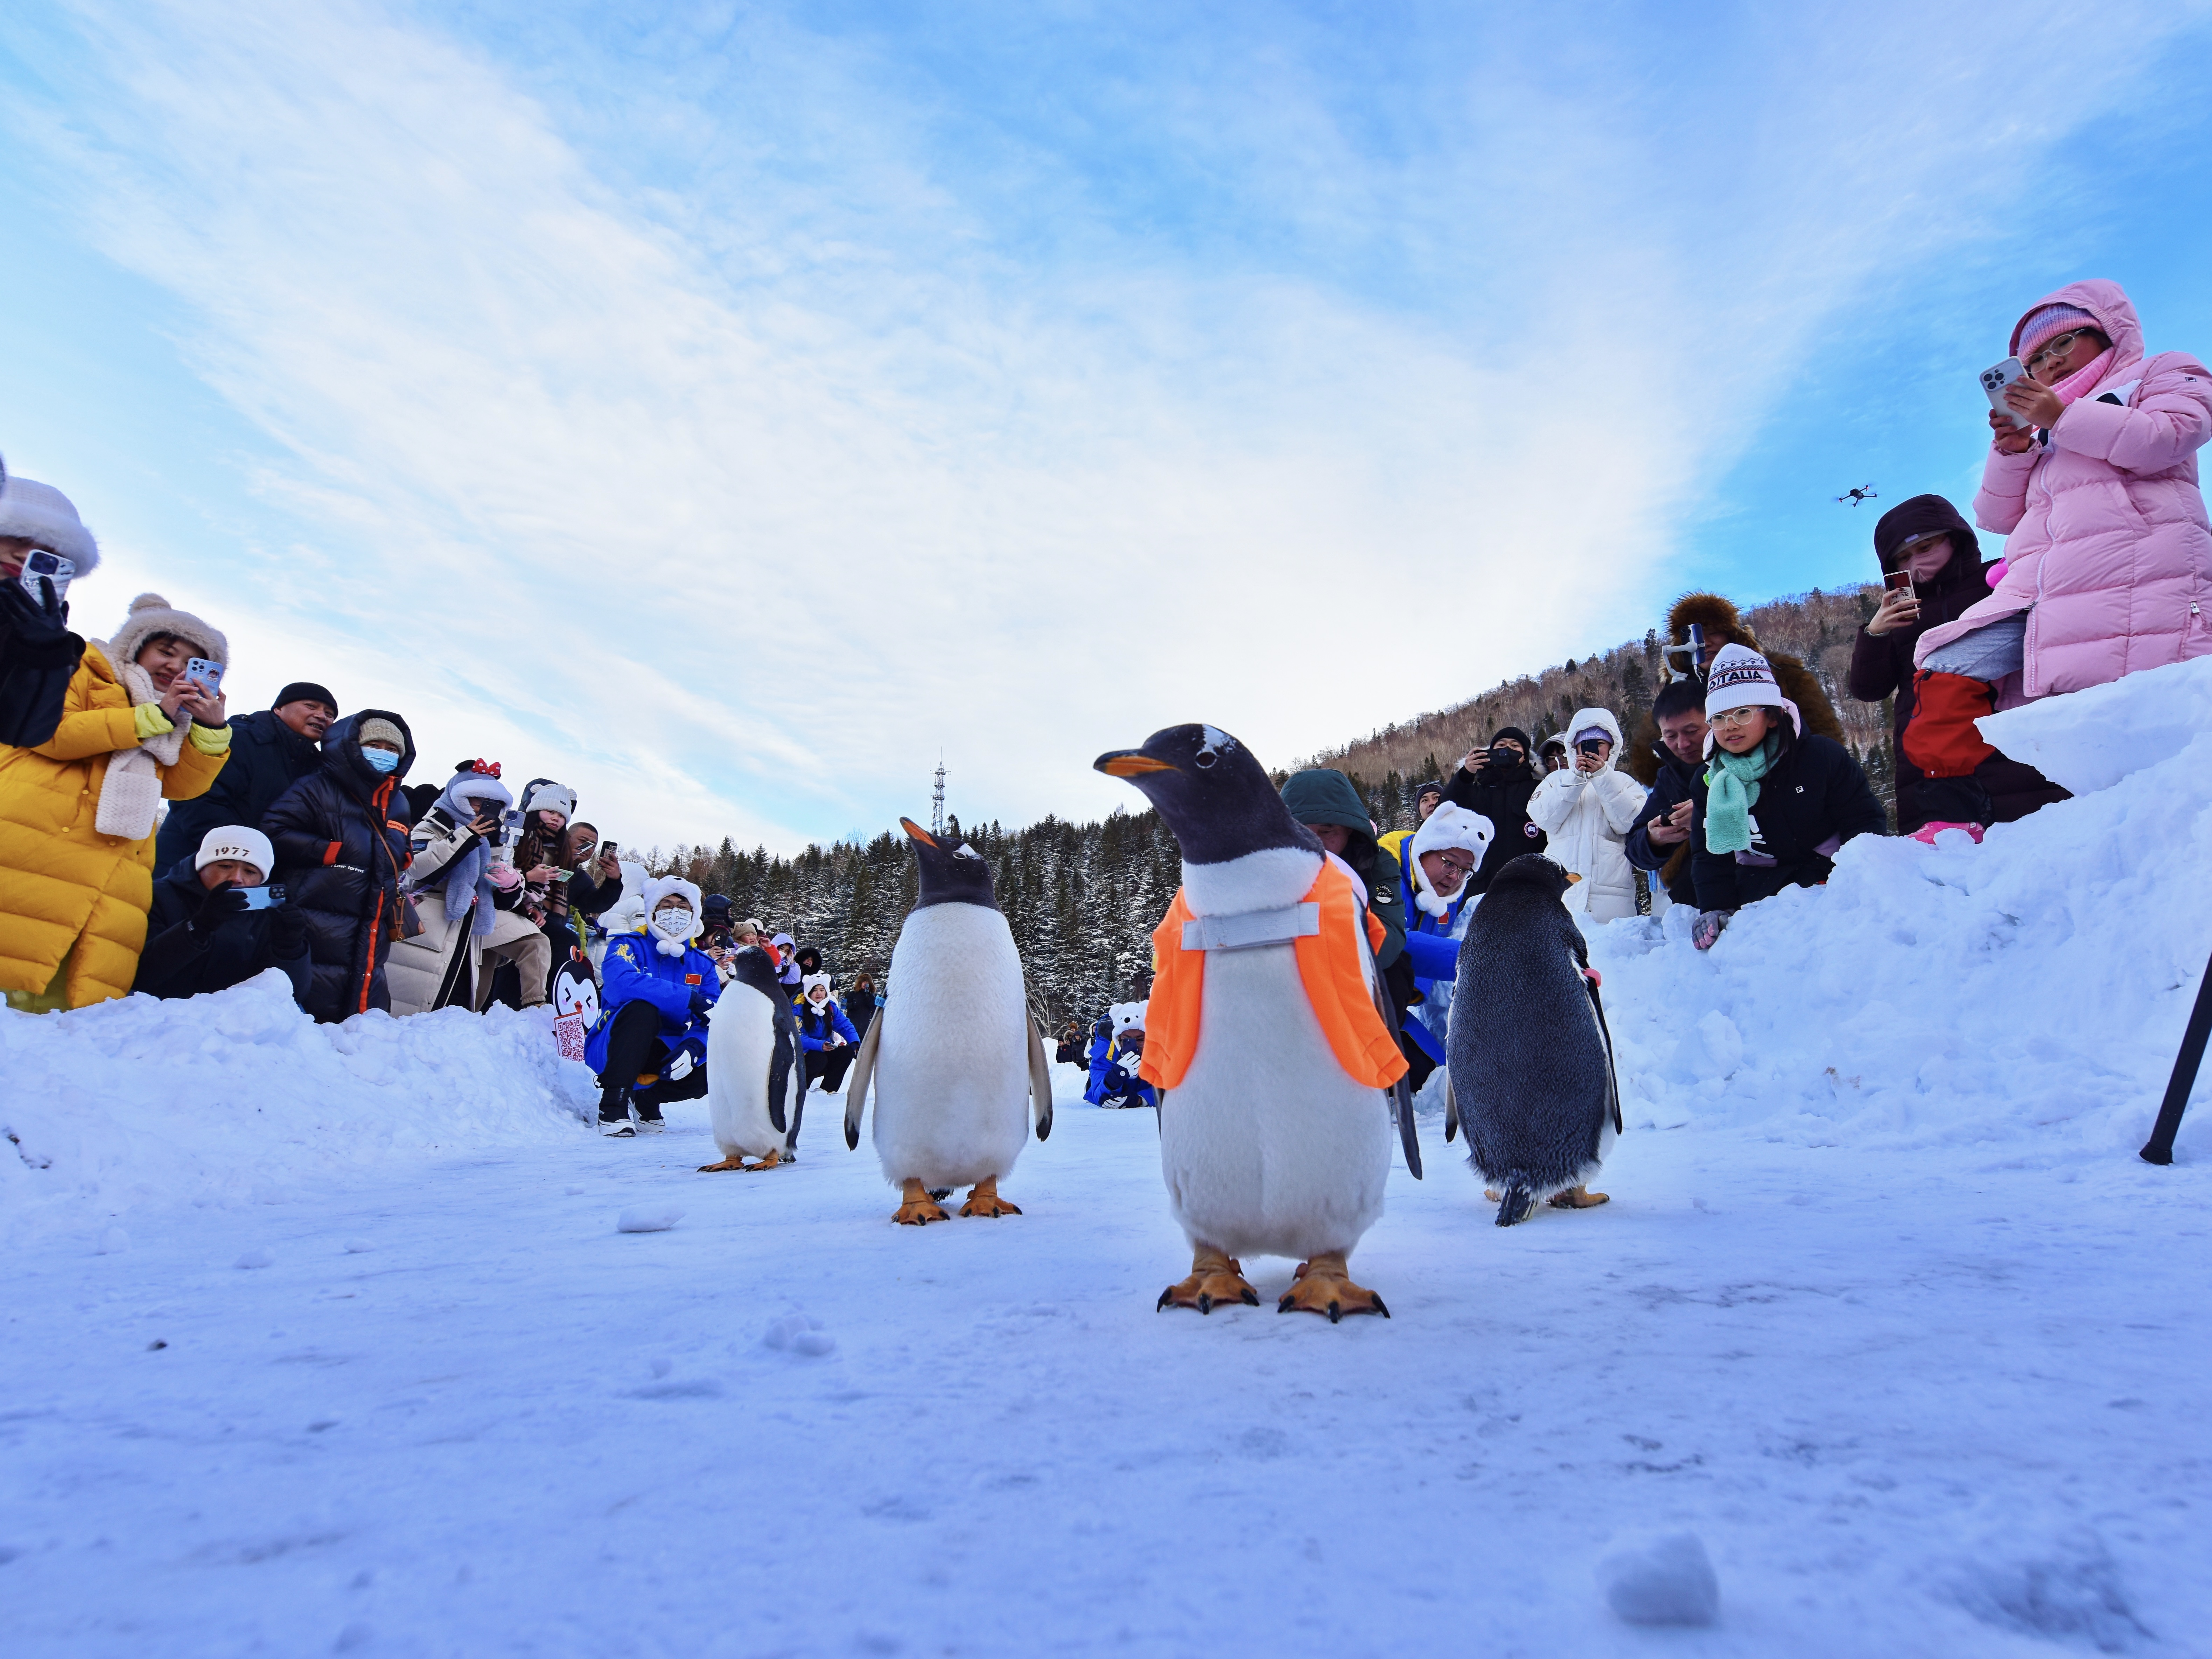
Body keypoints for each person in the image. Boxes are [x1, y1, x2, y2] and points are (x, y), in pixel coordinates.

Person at [1917, 279, 2212, 702]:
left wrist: (2062, 416)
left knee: (2143, 712)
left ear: (2105, 333)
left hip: (2137, 572)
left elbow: (2167, 438)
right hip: (2041, 589)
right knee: (1943, 665)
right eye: (2034, 360)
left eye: (2062, 343)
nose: (2049, 363)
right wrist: (2011, 450)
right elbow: (1995, 518)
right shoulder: (2037, 433)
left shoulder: (2158, 370)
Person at [0, 592, 231, 1012]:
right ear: (136, 646)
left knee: (63, 1013)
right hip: (33, 845)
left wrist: (210, 731)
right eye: (166, 651)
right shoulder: (86, 670)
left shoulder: (173, 713)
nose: (175, 668)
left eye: (191, 663)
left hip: (116, 868)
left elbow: (181, 787)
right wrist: (152, 718)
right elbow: (49, 732)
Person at [1849, 494, 2069, 836]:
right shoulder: (1898, 616)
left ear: (1954, 539)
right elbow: (1867, 689)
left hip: (2009, 735)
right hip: (1927, 761)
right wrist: (1874, 634)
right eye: (1903, 558)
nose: (1916, 564)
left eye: (1925, 548)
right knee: (1952, 865)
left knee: (2044, 844)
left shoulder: (2000, 580)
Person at [1689, 645, 1887, 951]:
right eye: (1718, 717)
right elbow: (1710, 853)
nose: (1730, 726)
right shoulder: (1710, 782)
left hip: (1831, 876)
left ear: (1772, 716)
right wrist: (1715, 905)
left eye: (1743, 713)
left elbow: (1862, 819)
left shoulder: (1820, 756)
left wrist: (1858, 881)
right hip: (1759, 887)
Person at [262, 711, 416, 1021]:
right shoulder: (317, 787)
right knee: (312, 999)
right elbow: (273, 831)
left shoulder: (398, 801)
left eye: (392, 748)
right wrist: (331, 851)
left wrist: (404, 858)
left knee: (361, 1004)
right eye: (375, 744)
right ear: (353, 746)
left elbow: (402, 840)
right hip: (317, 912)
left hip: (373, 920)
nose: (384, 753)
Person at [386, 762, 552, 1015]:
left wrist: (511, 886)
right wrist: (466, 836)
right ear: (458, 797)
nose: (481, 809)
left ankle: (537, 1010)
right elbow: (417, 868)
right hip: (430, 922)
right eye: (477, 801)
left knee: (464, 1010)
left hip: (472, 926)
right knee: (415, 1005)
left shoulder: (495, 842)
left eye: (491, 804)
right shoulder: (433, 826)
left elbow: (505, 900)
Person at [154, 682, 337, 877]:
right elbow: (195, 801)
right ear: (279, 709)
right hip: (188, 866)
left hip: (252, 875)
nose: (322, 716)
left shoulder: (317, 766)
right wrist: (245, 852)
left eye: (330, 714)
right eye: (311, 706)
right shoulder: (240, 738)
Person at [584, 876, 720, 1137]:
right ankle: (614, 1102)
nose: (675, 913)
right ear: (652, 911)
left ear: (694, 915)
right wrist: (687, 998)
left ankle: (647, 1099)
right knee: (642, 1010)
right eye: (666, 905)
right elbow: (621, 984)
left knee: (717, 1061)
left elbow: (712, 1016)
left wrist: (694, 1046)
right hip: (616, 1042)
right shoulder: (627, 945)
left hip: (666, 1047)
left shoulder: (702, 964)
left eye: (683, 907)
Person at [132, 824, 313, 1005]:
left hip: (232, 1023)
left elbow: (290, 999)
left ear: (261, 880)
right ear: (201, 867)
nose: (237, 878)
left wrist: (290, 948)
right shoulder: (157, 896)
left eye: (250, 871)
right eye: (225, 866)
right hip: (158, 1016)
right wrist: (197, 928)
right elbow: (139, 977)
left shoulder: (268, 915)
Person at [1278, 768, 1409, 996]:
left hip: (1354, 974)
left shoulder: (1376, 863)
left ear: (1350, 829)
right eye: (1299, 832)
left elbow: (1390, 937)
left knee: (1398, 975)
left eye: (1327, 831)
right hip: (1287, 980)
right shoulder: (1268, 866)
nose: (1313, 844)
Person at [1391, 802, 1492, 1088]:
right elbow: (1396, 941)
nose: (1454, 877)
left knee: (1438, 1075)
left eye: (1465, 871)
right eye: (1449, 863)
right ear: (1425, 848)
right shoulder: (1383, 876)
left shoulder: (1450, 893)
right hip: (1354, 1008)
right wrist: (1483, 960)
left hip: (1397, 1008)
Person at [0, 478, 95, 751]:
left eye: (46, 552)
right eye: (18, 536)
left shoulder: (53, 646)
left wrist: (42, 655)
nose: (25, 555)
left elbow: (22, 732)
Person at [1526, 708, 1645, 923]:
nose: (1593, 750)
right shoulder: (1556, 780)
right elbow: (1544, 820)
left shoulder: (1624, 782)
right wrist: (1575, 779)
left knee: (1617, 952)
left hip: (1613, 895)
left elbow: (1630, 823)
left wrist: (1603, 778)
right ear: (1574, 748)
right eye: (1586, 744)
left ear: (1612, 747)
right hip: (1560, 890)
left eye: (1600, 744)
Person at [1624, 679, 1709, 909]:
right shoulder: (1669, 776)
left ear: (1714, 721)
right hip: (1691, 910)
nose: (1683, 744)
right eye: (1670, 736)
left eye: (1692, 731)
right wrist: (1655, 839)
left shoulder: (1745, 759)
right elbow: (1634, 848)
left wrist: (1706, 814)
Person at [1441, 726, 1547, 894]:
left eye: (1515, 746)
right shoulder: (1474, 789)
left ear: (1525, 756)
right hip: (1479, 883)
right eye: (1501, 745)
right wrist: (1466, 774)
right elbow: (1445, 810)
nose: (1507, 749)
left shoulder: (1539, 789)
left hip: (1527, 882)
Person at [794, 971, 862, 1145]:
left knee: (845, 1053)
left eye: (822, 990)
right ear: (808, 992)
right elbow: (796, 1037)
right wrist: (819, 1045)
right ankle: (804, 1089)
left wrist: (854, 1043)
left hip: (823, 1050)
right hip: (802, 1057)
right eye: (815, 990)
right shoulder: (798, 1008)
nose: (819, 993)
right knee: (819, 1057)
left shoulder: (830, 1008)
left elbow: (845, 1025)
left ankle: (828, 1091)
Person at [848, 970, 881, 1042]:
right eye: (864, 982)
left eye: (867, 982)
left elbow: (874, 1008)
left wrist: (868, 997)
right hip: (853, 1025)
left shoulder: (872, 996)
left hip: (865, 1026)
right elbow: (843, 1006)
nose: (865, 984)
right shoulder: (852, 994)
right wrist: (853, 1005)